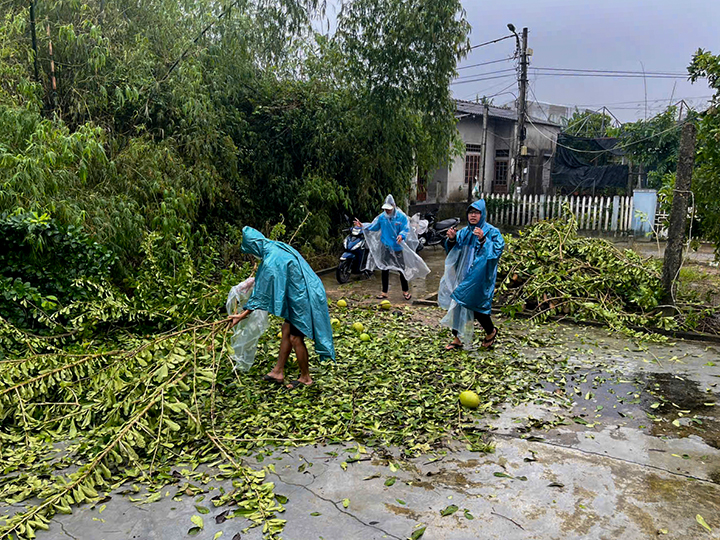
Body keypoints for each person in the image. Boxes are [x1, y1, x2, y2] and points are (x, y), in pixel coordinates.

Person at [229, 227, 335, 389]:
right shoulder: (275, 246)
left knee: (295, 338)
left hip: (304, 298)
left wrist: (241, 316)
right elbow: (274, 275)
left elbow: (262, 294)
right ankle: (278, 371)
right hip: (305, 291)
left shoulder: (271, 259)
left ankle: (306, 377)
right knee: (286, 329)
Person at [438, 199, 504, 350]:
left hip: (480, 277)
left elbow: (496, 251)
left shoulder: (492, 232)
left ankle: (490, 332)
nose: (473, 216)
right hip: (463, 276)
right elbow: (454, 252)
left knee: (477, 306)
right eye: (470, 212)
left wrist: (483, 239)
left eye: (476, 213)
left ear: (483, 214)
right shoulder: (464, 232)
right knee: (457, 303)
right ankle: (457, 338)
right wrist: (452, 239)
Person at [354, 194, 430, 301]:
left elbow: (405, 228)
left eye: (388, 209)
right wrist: (362, 225)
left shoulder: (401, 217)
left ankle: (405, 291)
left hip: (397, 248)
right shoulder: (382, 217)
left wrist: (401, 235)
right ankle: (384, 292)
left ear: (393, 206)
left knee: (401, 270)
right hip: (385, 247)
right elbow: (373, 226)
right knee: (385, 269)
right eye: (385, 209)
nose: (387, 211)